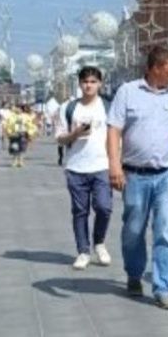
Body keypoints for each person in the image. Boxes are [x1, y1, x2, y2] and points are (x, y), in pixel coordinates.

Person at [107, 46, 168, 309]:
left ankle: (164, 287)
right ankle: (134, 274)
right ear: (155, 68)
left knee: (166, 230)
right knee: (133, 231)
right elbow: (114, 131)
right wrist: (114, 166)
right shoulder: (127, 92)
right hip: (134, 175)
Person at [56, 66, 113, 270]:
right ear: (79, 84)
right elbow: (60, 138)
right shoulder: (68, 108)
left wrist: (118, 163)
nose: (89, 85)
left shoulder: (108, 106)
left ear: (100, 84)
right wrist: (75, 134)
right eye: (85, 81)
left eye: (93, 82)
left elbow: (117, 136)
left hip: (102, 165)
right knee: (80, 211)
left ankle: (99, 242)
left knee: (104, 208)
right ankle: (83, 251)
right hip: (76, 167)